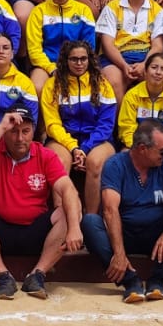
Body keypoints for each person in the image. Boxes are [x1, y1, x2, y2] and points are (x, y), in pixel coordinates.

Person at [0, 105, 84, 299]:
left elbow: (67, 188)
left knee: (72, 209)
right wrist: (0, 128)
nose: (20, 138)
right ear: (5, 132)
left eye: (25, 131)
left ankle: (37, 275)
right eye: (14, 132)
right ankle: (3, 277)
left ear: (33, 131)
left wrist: (75, 228)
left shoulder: (45, 154)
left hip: (35, 232)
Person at [83, 118, 163, 305]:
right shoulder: (115, 164)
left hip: (157, 235)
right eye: (162, 151)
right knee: (89, 222)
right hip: (124, 233)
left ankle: (158, 279)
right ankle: (130, 280)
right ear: (143, 148)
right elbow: (110, 210)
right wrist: (119, 253)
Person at [40, 38, 120, 213]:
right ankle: (61, 220)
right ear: (65, 60)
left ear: (89, 60)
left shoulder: (102, 84)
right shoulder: (52, 85)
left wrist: (85, 147)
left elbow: (106, 125)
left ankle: (92, 219)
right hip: (63, 139)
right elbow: (52, 124)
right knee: (59, 161)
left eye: (83, 59)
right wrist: (73, 147)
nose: (79, 63)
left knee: (95, 162)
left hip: (97, 140)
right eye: (73, 59)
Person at [95, 0, 163, 92]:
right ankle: (118, 113)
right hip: (116, 58)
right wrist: (124, 66)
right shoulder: (111, 8)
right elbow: (107, 44)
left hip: (145, 58)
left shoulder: (158, 11)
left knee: (155, 78)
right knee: (114, 82)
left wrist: (144, 65)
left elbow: (158, 45)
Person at [23, 0, 97, 84]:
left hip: (77, 64)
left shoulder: (84, 10)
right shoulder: (38, 11)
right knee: (37, 86)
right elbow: (34, 49)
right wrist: (51, 68)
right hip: (47, 65)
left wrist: (74, 65)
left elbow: (89, 46)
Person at [115, 51, 163, 154]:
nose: (158, 72)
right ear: (145, 72)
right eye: (154, 67)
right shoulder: (132, 95)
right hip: (138, 147)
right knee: (125, 154)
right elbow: (126, 128)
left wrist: (160, 149)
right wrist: (140, 147)